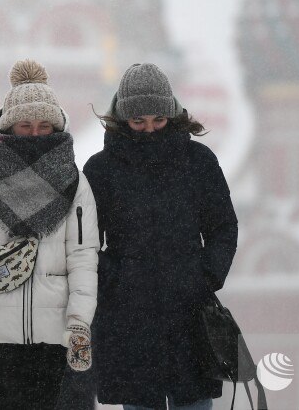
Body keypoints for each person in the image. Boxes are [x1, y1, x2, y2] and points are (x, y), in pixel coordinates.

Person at [0, 59, 100, 410]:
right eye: (26, 125)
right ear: (9, 126)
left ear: (57, 126)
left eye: (44, 125)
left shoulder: (75, 183)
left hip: (53, 334)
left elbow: (84, 260)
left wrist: (78, 324)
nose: (36, 133)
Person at [83, 63, 238, 410]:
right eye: (138, 121)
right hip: (129, 319)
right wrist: (116, 279)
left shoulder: (198, 161)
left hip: (190, 315)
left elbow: (223, 227)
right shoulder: (101, 170)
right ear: (122, 119)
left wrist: (204, 275)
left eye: (158, 120)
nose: (149, 129)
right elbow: (84, 242)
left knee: (194, 402)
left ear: (172, 114)